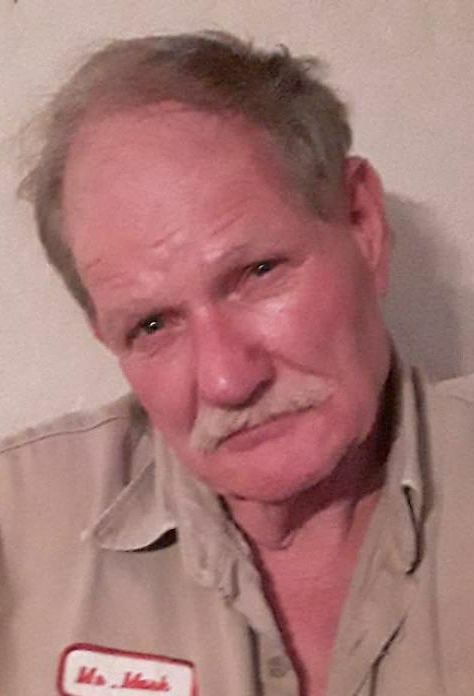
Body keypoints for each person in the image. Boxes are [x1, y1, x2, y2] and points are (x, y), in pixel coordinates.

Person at [1, 31, 473, 696]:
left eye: (258, 273)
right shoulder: (16, 527)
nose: (227, 380)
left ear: (363, 222)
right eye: (152, 325)